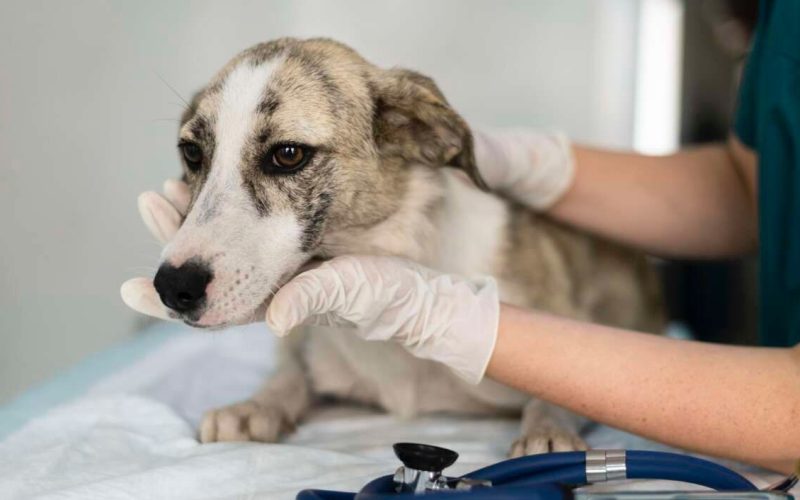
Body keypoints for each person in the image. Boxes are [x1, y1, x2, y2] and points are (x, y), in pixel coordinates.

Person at [127, 0, 800, 474]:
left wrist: (487, 352)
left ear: (407, 134)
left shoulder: (506, 256)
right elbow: (754, 187)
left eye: (286, 156)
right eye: (198, 155)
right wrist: (276, 396)